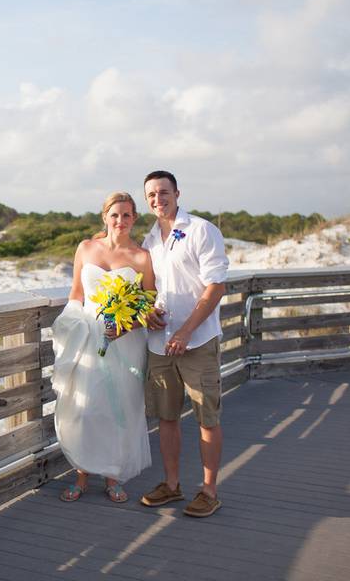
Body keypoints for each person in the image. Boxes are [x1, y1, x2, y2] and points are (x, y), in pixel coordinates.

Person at [52, 192, 155, 503]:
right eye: (115, 215)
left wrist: (124, 326)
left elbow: (148, 304)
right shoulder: (86, 248)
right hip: (87, 335)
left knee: (119, 409)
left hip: (124, 339)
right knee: (85, 407)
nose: (120, 221)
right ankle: (82, 474)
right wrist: (72, 324)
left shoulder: (142, 257)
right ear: (105, 218)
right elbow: (76, 293)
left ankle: (113, 476)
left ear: (135, 218)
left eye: (126, 215)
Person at [139, 170, 229, 518]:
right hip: (159, 343)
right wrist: (148, 312)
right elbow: (151, 289)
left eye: (163, 192)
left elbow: (215, 286)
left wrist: (187, 330)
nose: (157, 199)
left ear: (177, 193)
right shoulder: (149, 240)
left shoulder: (201, 230)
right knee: (167, 418)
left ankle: (209, 490)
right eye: (151, 195)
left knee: (207, 417)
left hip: (197, 341)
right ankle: (172, 485)